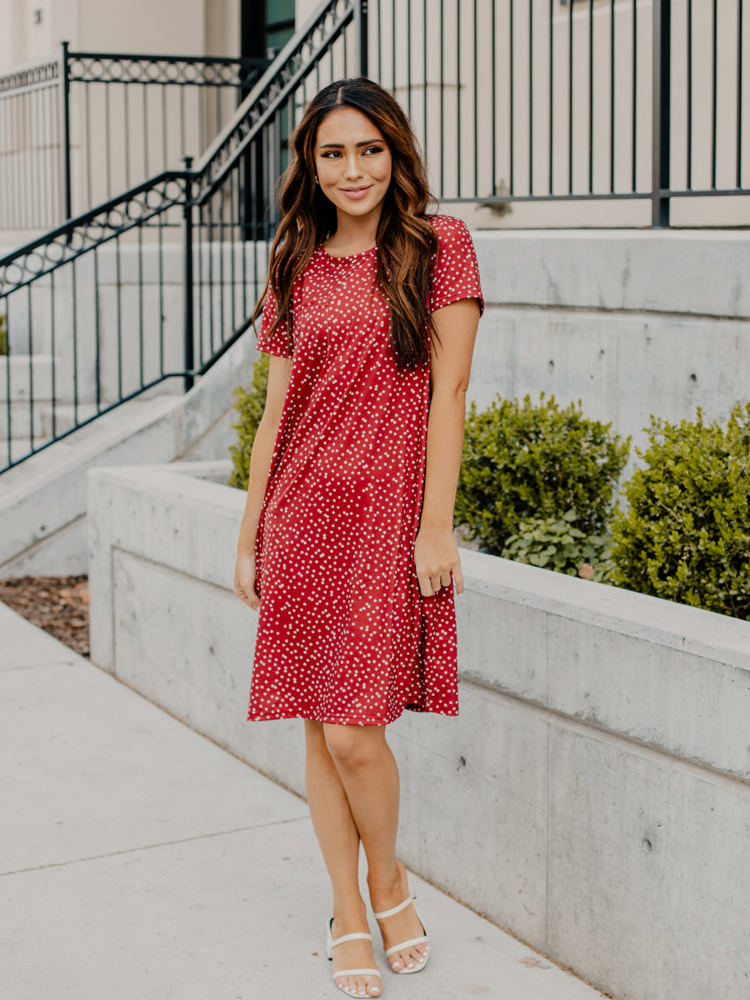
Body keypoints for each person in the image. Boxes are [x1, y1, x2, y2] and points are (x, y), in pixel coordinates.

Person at [233, 77, 483, 999]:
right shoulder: (294, 261)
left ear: (396, 153)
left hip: (387, 521)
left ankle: (387, 881)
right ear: (310, 162)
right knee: (317, 725)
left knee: (353, 733)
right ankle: (347, 910)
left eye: (369, 150)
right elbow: (275, 413)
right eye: (333, 152)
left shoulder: (438, 247)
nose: (353, 169)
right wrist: (252, 532)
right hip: (300, 518)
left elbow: (450, 398)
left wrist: (435, 527)